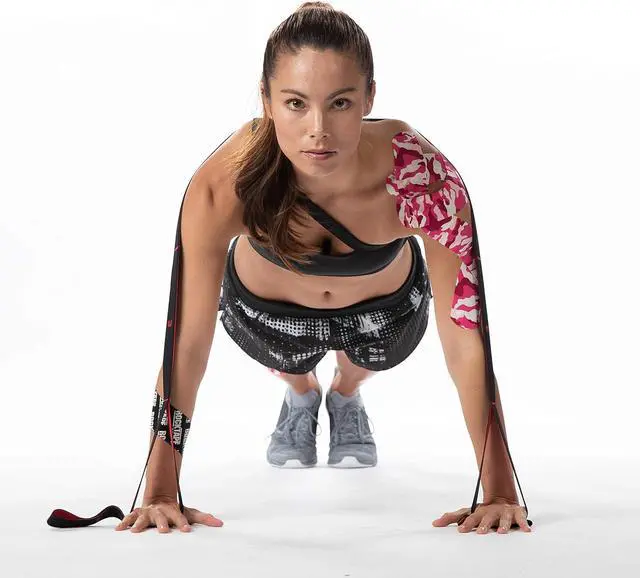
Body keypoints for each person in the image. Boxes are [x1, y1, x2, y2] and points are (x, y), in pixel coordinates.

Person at [48, 1, 532, 535]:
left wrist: (499, 491)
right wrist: (161, 491)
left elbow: (467, 339)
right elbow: (185, 342)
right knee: (292, 359)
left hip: (386, 315)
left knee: (367, 358)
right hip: (269, 319)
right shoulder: (224, 184)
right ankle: (302, 391)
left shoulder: (424, 180)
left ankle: (345, 392)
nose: (318, 130)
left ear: (370, 97)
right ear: (266, 99)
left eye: (341, 103)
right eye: (296, 104)